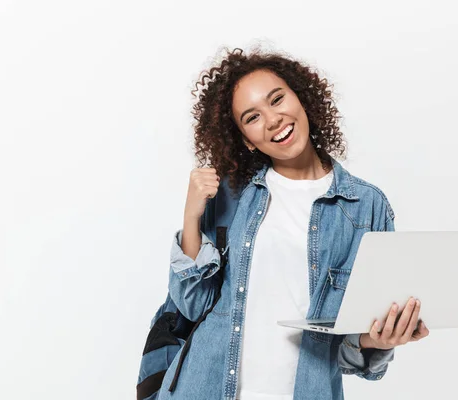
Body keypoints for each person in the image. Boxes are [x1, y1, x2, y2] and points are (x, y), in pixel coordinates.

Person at [163, 47, 429, 400]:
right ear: (246, 139)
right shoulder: (231, 193)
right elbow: (194, 304)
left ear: (301, 99)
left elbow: (350, 349)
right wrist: (192, 216)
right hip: (205, 388)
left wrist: (377, 340)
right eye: (252, 117)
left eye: (277, 99)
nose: (273, 120)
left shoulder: (365, 206)